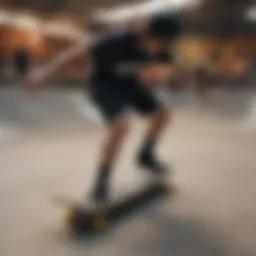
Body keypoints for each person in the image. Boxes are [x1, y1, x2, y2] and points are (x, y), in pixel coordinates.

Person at [25, 13, 181, 203]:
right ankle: (101, 181)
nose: (163, 50)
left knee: (163, 114)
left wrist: (201, 89)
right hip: (104, 87)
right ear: (147, 35)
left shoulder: (162, 50)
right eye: (162, 43)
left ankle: (145, 156)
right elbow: (73, 55)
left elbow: (177, 69)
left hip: (130, 85)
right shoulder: (115, 42)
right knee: (121, 126)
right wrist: (44, 74)